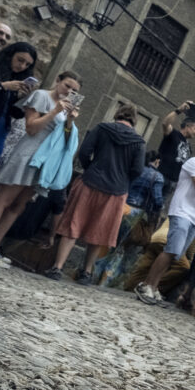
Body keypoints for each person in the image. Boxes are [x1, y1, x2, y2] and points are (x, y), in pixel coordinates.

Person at [0, 71, 81, 269]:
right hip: (27, 154)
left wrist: (70, 121)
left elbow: (64, 141)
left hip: (43, 161)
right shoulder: (41, 96)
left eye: (74, 90)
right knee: (3, 199)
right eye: (67, 86)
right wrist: (55, 111)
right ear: (57, 81)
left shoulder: (65, 111)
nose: (69, 92)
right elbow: (31, 128)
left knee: (18, 205)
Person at [50, 103, 146, 284]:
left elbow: (84, 152)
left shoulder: (101, 128)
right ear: (134, 120)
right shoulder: (139, 142)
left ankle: (58, 267)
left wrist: (90, 168)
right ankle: (86, 273)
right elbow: (138, 170)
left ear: (117, 114)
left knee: (73, 225)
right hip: (116, 192)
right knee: (99, 232)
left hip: (90, 182)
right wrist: (123, 180)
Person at [134, 136, 195, 303]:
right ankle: (146, 285)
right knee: (171, 250)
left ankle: (154, 287)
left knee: (175, 256)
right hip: (183, 212)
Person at [0, 42, 36, 174]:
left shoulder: (17, 79)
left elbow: (16, 114)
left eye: (27, 65)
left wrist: (22, 99)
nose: (22, 66)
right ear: (10, 55)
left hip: (0, 132)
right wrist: (2, 86)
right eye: (20, 60)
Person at [122, 217, 193, 295]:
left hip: (156, 238)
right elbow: (192, 244)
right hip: (169, 241)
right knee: (183, 266)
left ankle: (129, 288)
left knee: (145, 267)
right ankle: (152, 286)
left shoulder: (180, 211)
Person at [157, 101, 195, 196]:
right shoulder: (173, 134)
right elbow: (165, 124)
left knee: (157, 208)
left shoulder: (189, 147)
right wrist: (178, 111)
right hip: (160, 176)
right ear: (187, 126)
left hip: (172, 183)